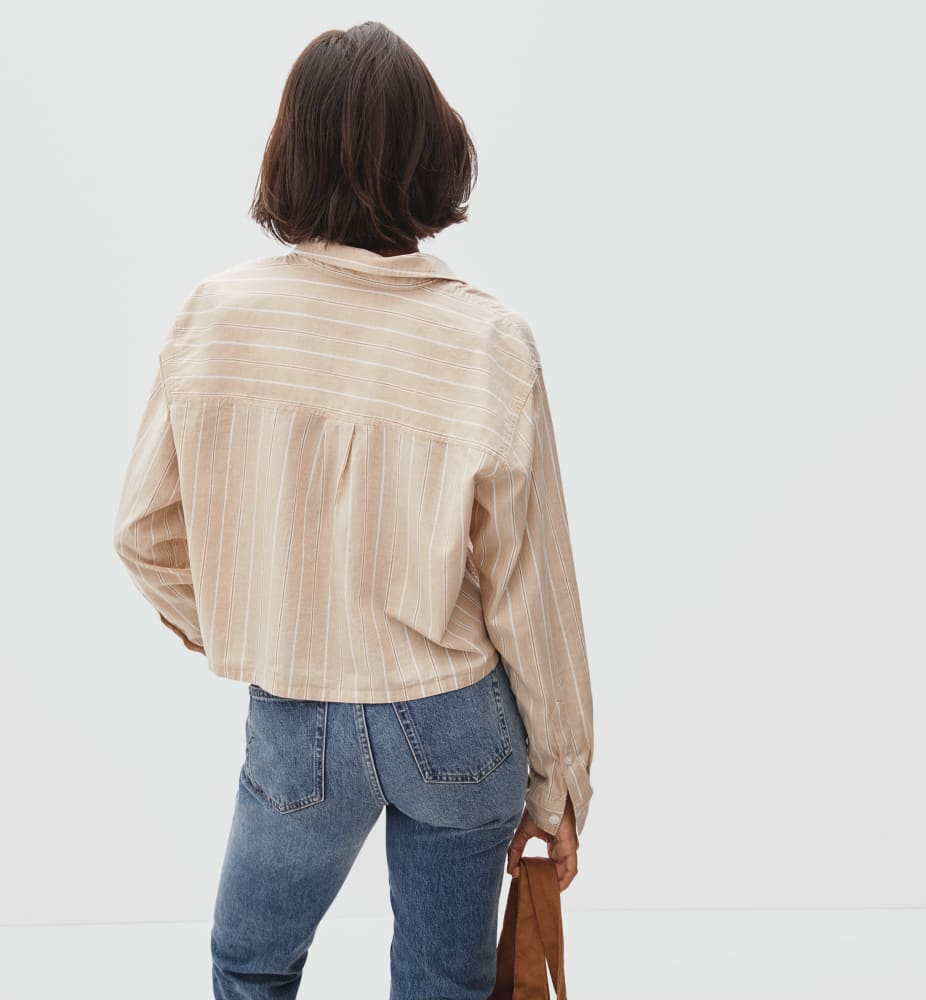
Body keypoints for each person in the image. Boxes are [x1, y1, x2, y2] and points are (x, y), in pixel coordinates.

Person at [111, 21, 594, 1000]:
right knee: (443, 982)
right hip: (456, 717)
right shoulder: (488, 340)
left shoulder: (217, 317)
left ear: (288, 153)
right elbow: (530, 593)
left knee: (251, 963)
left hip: (299, 716)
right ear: (435, 151)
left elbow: (144, 534)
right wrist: (559, 787)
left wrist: (250, 626)